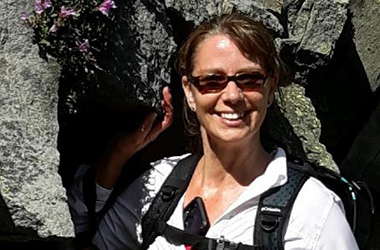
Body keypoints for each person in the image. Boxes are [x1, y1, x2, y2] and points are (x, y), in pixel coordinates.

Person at [68, 11, 359, 250]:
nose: (232, 95)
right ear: (189, 92)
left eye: (249, 79)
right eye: (212, 81)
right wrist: (117, 154)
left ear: (270, 89)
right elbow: (87, 239)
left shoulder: (312, 212)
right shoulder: (160, 184)